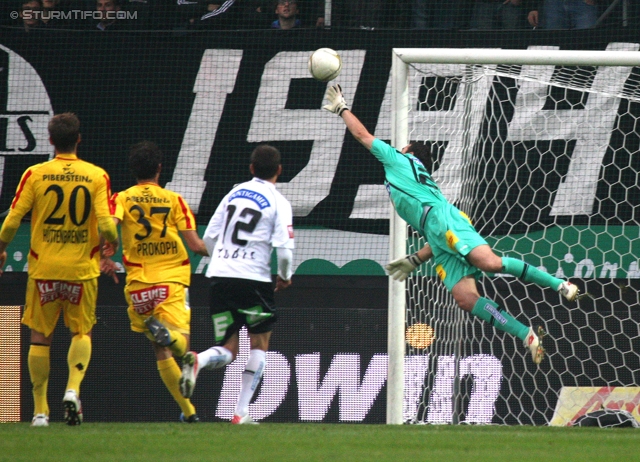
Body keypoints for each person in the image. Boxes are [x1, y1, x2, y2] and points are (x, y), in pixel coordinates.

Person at [322, 84, 580, 365]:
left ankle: (560, 285)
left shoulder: (400, 160)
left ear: (408, 151)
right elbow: (434, 233)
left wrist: (342, 109)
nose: (397, 147)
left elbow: (361, 134)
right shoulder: (412, 176)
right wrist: (415, 259)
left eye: (402, 146)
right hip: (436, 231)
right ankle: (526, 335)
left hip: (444, 219)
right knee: (466, 299)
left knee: (490, 263)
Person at [0, 113, 119, 427]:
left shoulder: (35, 174)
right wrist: (112, 243)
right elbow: (107, 223)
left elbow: (12, 220)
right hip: (81, 270)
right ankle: (72, 389)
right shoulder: (96, 175)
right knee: (82, 332)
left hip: (44, 269)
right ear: (79, 139)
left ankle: (40, 412)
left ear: (50, 140)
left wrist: (0, 249)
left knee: (40, 337)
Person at [179, 144, 294, 424]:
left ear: (252, 168)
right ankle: (241, 412)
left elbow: (209, 240)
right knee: (259, 344)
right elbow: (285, 251)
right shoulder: (279, 202)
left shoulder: (233, 193)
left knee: (228, 349)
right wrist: (285, 276)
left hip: (219, 277)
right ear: (279, 171)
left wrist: (221, 257)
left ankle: (199, 360)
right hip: (253, 280)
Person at [102, 141, 208, 423]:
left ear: (133, 170)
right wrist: (222, 254)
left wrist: (105, 250)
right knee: (180, 346)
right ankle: (170, 336)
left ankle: (189, 414)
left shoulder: (121, 198)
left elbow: (108, 225)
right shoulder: (174, 200)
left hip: (139, 285)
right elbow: (196, 245)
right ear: (160, 169)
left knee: (159, 349)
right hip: (171, 280)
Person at [527, 0, 600, 29]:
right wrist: (534, 7)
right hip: (552, 5)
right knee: (553, 43)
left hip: (584, 4)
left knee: (587, 42)